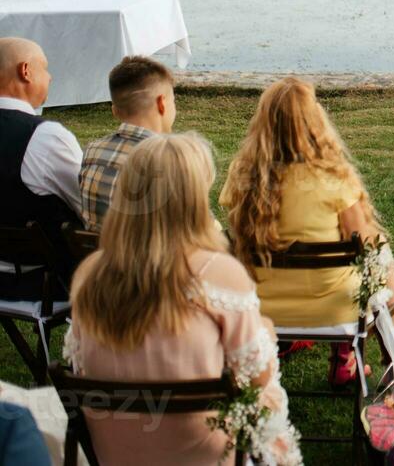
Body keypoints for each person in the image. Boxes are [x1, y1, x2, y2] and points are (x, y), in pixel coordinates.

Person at [66, 132, 301, 466]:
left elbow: (80, 366)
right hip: (203, 454)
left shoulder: (91, 275)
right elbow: (256, 376)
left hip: (114, 453)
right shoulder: (220, 273)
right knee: (269, 392)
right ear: (193, 199)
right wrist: (265, 332)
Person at [219, 76, 394, 387]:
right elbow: (365, 246)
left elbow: (238, 232)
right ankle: (392, 363)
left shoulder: (244, 179)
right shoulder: (333, 179)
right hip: (331, 306)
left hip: (260, 304)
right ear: (315, 122)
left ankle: (340, 358)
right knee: (383, 258)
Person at [0, 38, 83, 299]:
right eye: (45, 68)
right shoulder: (45, 137)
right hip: (41, 278)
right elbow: (89, 206)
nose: (50, 77)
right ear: (26, 71)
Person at [79, 55, 177, 231]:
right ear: (161, 103)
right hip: (152, 257)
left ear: (115, 111)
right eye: (173, 101)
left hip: (99, 255)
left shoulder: (91, 151)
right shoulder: (171, 160)